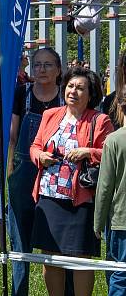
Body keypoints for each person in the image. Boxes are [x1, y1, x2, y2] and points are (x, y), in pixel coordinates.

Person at [30, 66, 113, 296]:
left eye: (80, 88)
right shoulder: (50, 115)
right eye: (70, 86)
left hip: (80, 200)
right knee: (50, 257)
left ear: (91, 94)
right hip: (49, 196)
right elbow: (35, 146)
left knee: (81, 259)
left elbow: (109, 153)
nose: (73, 91)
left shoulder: (100, 120)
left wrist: (87, 152)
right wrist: (40, 157)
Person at [7, 47, 64, 296]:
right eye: (37, 64)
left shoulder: (66, 96)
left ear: (59, 69)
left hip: (60, 170)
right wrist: (8, 166)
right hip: (24, 170)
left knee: (61, 238)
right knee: (20, 237)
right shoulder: (21, 93)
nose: (41, 69)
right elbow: (11, 135)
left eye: (48, 64)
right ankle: (20, 292)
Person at [93, 85, 126, 295]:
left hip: (121, 220)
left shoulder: (113, 140)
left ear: (120, 109)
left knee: (119, 273)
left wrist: (98, 222)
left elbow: (105, 186)